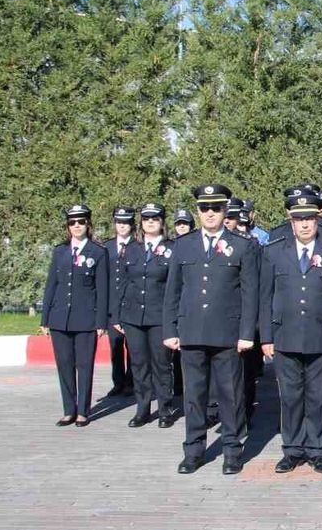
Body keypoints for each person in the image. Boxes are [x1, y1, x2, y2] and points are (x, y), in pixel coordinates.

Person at [163, 184, 260, 475]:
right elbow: (173, 291)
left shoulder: (242, 245)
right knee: (194, 396)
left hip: (227, 333)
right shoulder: (183, 245)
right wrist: (170, 329)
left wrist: (247, 333)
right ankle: (193, 451)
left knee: (231, 395)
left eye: (216, 208)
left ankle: (232, 450)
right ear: (197, 211)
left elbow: (250, 293)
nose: (210, 213)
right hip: (191, 331)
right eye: (204, 208)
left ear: (224, 211)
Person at [258, 189, 322, 473]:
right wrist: (266, 337)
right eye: (299, 219)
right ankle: (292, 449)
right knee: (289, 398)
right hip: (285, 336)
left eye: (309, 218)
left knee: (318, 397)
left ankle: (317, 450)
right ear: (291, 221)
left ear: (317, 219)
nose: (304, 224)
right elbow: (265, 297)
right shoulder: (274, 251)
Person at [41, 204, 109, 427]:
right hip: (60, 318)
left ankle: (83, 411)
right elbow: (51, 285)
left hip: (86, 319)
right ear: (67, 226)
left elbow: (102, 289)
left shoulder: (98, 252)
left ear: (88, 224)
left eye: (81, 222)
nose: (77, 226)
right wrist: (45, 318)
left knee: (84, 365)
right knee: (64, 365)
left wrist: (101, 321)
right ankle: (68, 410)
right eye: (72, 222)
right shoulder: (60, 251)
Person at [114, 203, 177, 429]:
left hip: (159, 317)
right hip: (133, 316)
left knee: (162, 364)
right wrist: (117, 315)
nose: (150, 222)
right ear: (140, 223)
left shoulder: (172, 248)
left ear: (162, 222)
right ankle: (142, 409)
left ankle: (165, 409)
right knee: (139, 364)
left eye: (155, 218)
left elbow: (175, 286)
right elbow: (122, 283)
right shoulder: (132, 249)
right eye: (146, 219)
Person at [101, 206, 136, 397]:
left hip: (131, 305)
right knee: (115, 348)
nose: (122, 226)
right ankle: (118, 382)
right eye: (119, 222)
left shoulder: (138, 246)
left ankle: (131, 382)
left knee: (132, 347)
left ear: (132, 224)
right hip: (112, 306)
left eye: (126, 222)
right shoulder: (106, 247)